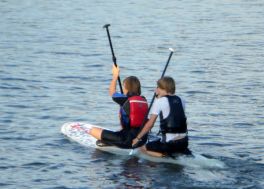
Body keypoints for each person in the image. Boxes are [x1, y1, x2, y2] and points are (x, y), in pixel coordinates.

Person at [87, 64, 148, 148]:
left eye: (123, 86)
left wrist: (115, 75)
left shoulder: (125, 99)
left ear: (126, 88)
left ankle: (111, 143)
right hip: (142, 139)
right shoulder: (143, 100)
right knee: (122, 130)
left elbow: (112, 92)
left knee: (92, 130)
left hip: (127, 141)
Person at [132, 76, 189, 157]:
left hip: (170, 144)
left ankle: (164, 156)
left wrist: (137, 138)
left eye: (157, 87)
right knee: (157, 142)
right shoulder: (181, 100)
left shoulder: (159, 102)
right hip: (184, 142)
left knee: (141, 149)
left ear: (163, 88)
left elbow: (150, 124)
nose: (156, 90)